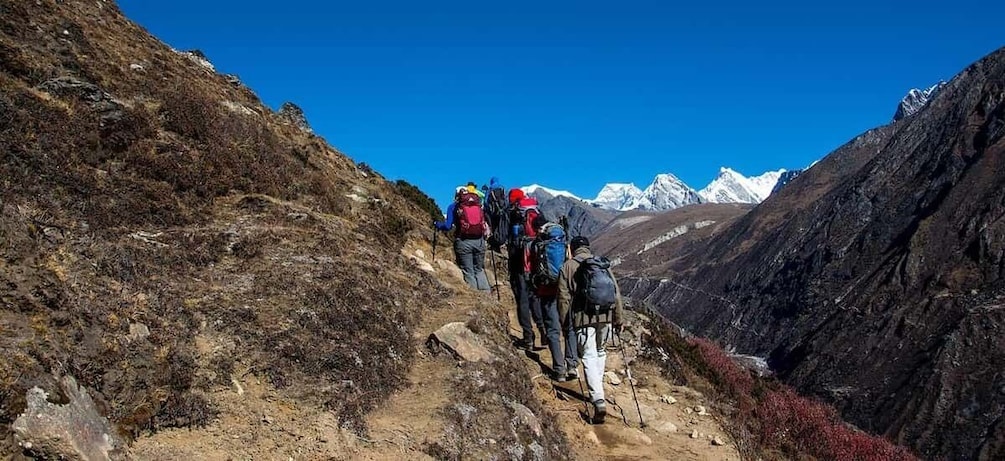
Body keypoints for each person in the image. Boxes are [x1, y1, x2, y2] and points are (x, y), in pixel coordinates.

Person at [558, 236, 624, 423]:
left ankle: (597, 399)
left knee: (588, 356)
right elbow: (616, 293)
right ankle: (598, 389)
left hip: (583, 319)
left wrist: (565, 322)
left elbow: (563, 298)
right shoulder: (602, 264)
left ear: (572, 248)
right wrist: (618, 319)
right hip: (605, 317)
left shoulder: (568, 267)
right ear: (587, 248)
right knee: (600, 352)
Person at [528, 214, 577, 382]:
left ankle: (559, 370)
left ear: (537, 228)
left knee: (553, 331)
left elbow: (532, 269)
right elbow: (570, 262)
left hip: (546, 292)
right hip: (564, 291)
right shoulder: (562, 240)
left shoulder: (537, 244)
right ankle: (572, 365)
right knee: (569, 328)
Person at [507, 188, 544, 350]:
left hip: (519, 263)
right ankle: (544, 331)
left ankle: (528, 338)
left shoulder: (514, 213)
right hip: (536, 261)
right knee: (535, 297)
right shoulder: (536, 211)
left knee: (522, 300)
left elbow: (502, 236)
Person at [435, 186, 491, 291]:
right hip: (479, 242)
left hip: (464, 242)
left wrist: (437, 224)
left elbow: (447, 226)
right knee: (479, 270)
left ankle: (475, 298)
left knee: (468, 271)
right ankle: (487, 295)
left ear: (456, 195)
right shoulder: (478, 206)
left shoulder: (453, 207)